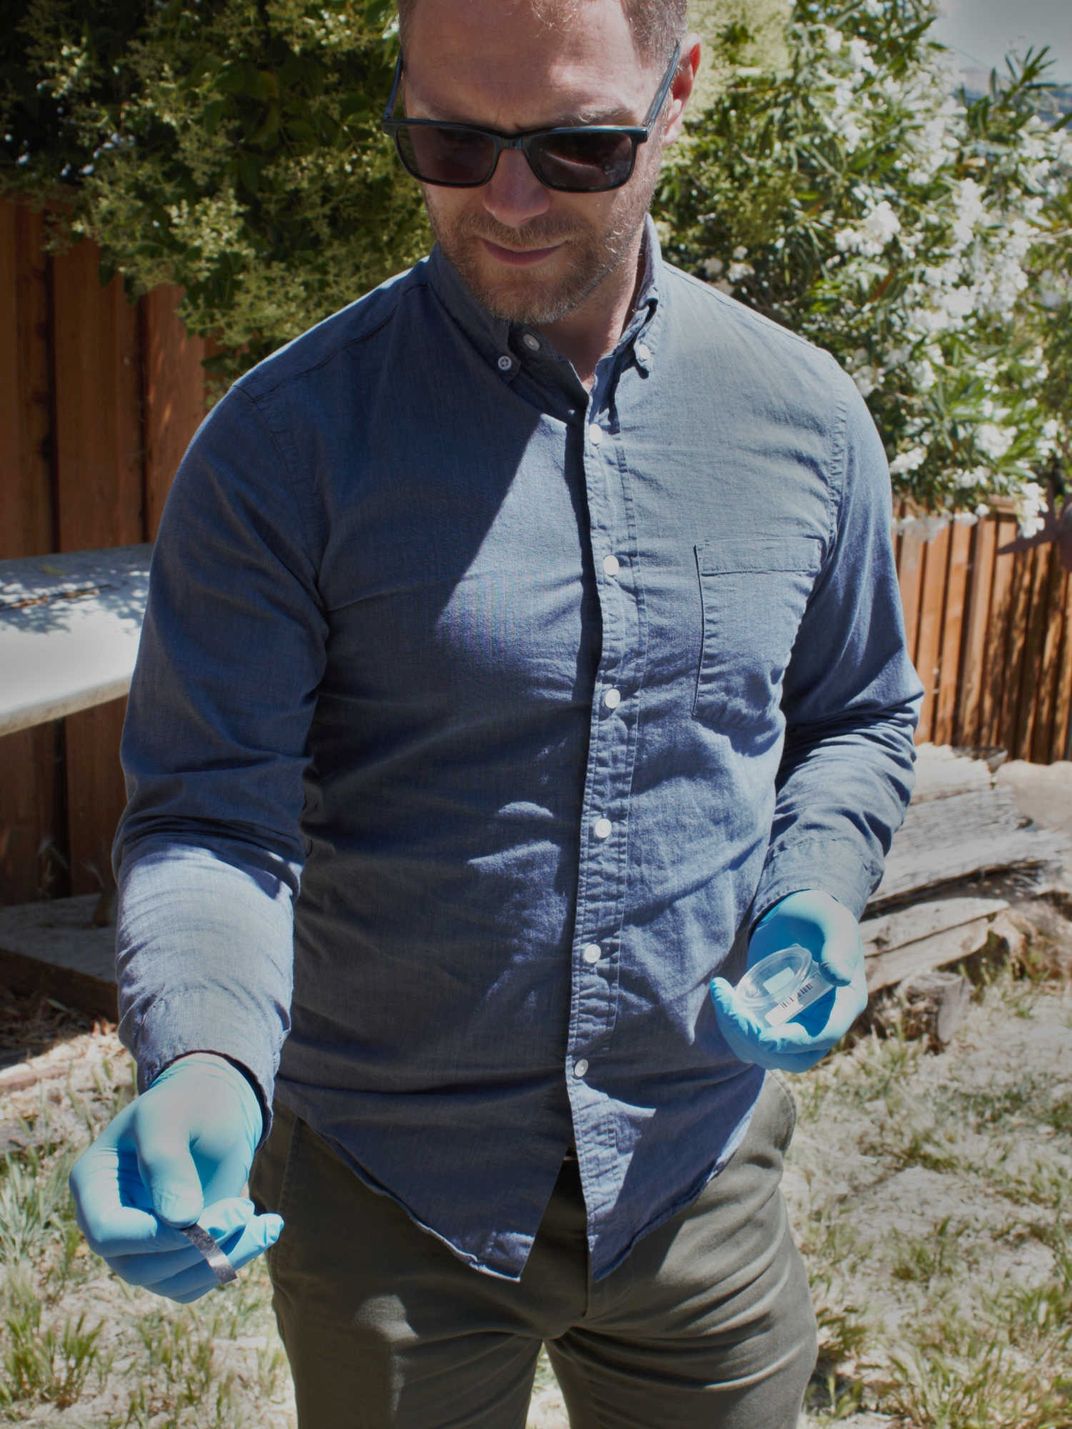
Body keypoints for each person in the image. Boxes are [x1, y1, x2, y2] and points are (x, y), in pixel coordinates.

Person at [69, 0, 924, 1424]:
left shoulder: (807, 421)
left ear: (678, 93)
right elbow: (214, 816)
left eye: (577, 145)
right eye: (450, 140)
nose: (508, 200)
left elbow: (854, 715)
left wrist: (814, 897)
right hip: (389, 1195)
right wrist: (209, 1059)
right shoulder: (283, 450)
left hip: (694, 1165)